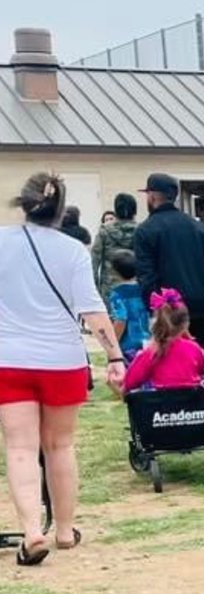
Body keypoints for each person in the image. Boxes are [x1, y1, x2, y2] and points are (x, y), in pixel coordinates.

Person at [0, 173, 125, 565]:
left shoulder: (1, 241)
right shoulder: (73, 251)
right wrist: (116, 357)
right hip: (61, 360)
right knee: (61, 446)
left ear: (24, 204)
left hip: (9, 358)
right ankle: (66, 530)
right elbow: (92, 309)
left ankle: (33, 531)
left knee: (20, 448)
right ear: (60, 210)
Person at [132, 172, 204, 353]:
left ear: (152, 196)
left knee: (168, 367)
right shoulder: (201, 229)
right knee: (197, 361)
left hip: (167, 310)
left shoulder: (145, 231)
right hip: (200, 306)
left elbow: (146, 276)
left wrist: (154, 311)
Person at [123, 289, 204, 392]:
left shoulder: (151, 352)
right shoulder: (194, 349)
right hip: (194, 405)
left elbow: (129, 383)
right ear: (186, 324)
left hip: (161, 405)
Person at [92, 192, 139, 304]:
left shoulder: (105, 230)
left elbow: (95, 260)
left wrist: (95, 288)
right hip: (136, 286)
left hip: (110, 287)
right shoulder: (141, 231)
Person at [107, 250, 150, 363]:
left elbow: (121, 319)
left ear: (115, 272)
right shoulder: (146, 290)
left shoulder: (117, 294)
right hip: (150, 343)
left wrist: (112, 346)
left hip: (128, 347)